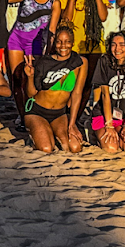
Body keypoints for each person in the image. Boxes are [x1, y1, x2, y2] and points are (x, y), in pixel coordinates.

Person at [19, 25, 87, 154]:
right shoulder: (45, 62)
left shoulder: (80, 63)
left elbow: (77, 94)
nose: (63, 45)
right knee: (46, 148)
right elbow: (31, 94)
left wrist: (72, 124)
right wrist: (30, 77)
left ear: (72, 43)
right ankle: (38, 133)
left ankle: (49, 131)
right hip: (37, 112)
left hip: (59, 114)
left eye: (67, 42)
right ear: (54, 43)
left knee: (74, 147)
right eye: (59, 41)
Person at [88, 31, 125, 154]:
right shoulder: (104, 61)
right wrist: (109, 125)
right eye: (113, 44)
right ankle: (94, 128)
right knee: (111, 148)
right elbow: (105, 95)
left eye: (122, 44)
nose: (117, 49)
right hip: (105, 114)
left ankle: (119, 128)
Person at [6, 0, 57, 95]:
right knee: (16, 78)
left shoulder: (54, 2)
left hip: (35, 44)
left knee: (32, 79)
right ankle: (21, 114)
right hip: (16, 39)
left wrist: (48, 52)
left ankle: (31, 111)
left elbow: (52, 30)